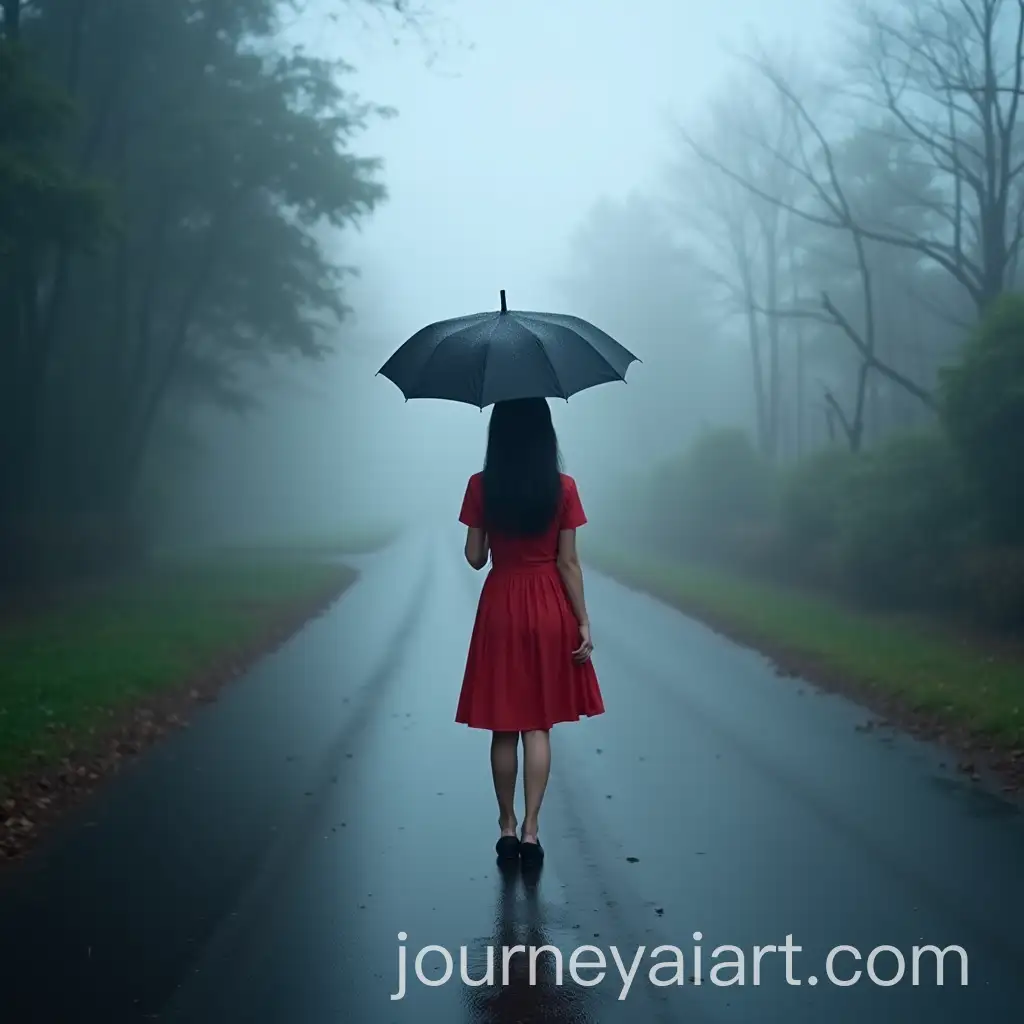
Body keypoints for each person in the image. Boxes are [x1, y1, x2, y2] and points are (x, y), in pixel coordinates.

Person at [455, 397, 605, 864]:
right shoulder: (563, 488)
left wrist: (485, 535)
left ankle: (504, 826)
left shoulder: (481, 486)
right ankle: (532, 832)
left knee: (504, 725)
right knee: (537, 725)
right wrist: (581, 619)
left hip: (501, 603)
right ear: (546, 434)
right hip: (547, 607)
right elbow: (568, 562)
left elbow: (476, 559)